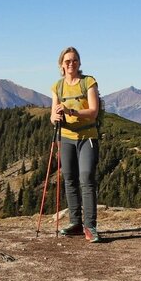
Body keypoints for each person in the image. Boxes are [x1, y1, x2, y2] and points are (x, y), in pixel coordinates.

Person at [50, 47, 101, 243]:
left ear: (79, 63)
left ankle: (90, 226)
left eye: (74, 60)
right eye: (67, 61)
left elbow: (93, 111)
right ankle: (76, 223)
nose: (71, 64)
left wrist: (71, 111)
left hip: (87, 136)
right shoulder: (58, 87)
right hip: (66, 137)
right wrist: (54, 116)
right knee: (69, 178)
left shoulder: (88, 82)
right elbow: (52, 115)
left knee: (86, 177)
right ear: (61, 65)